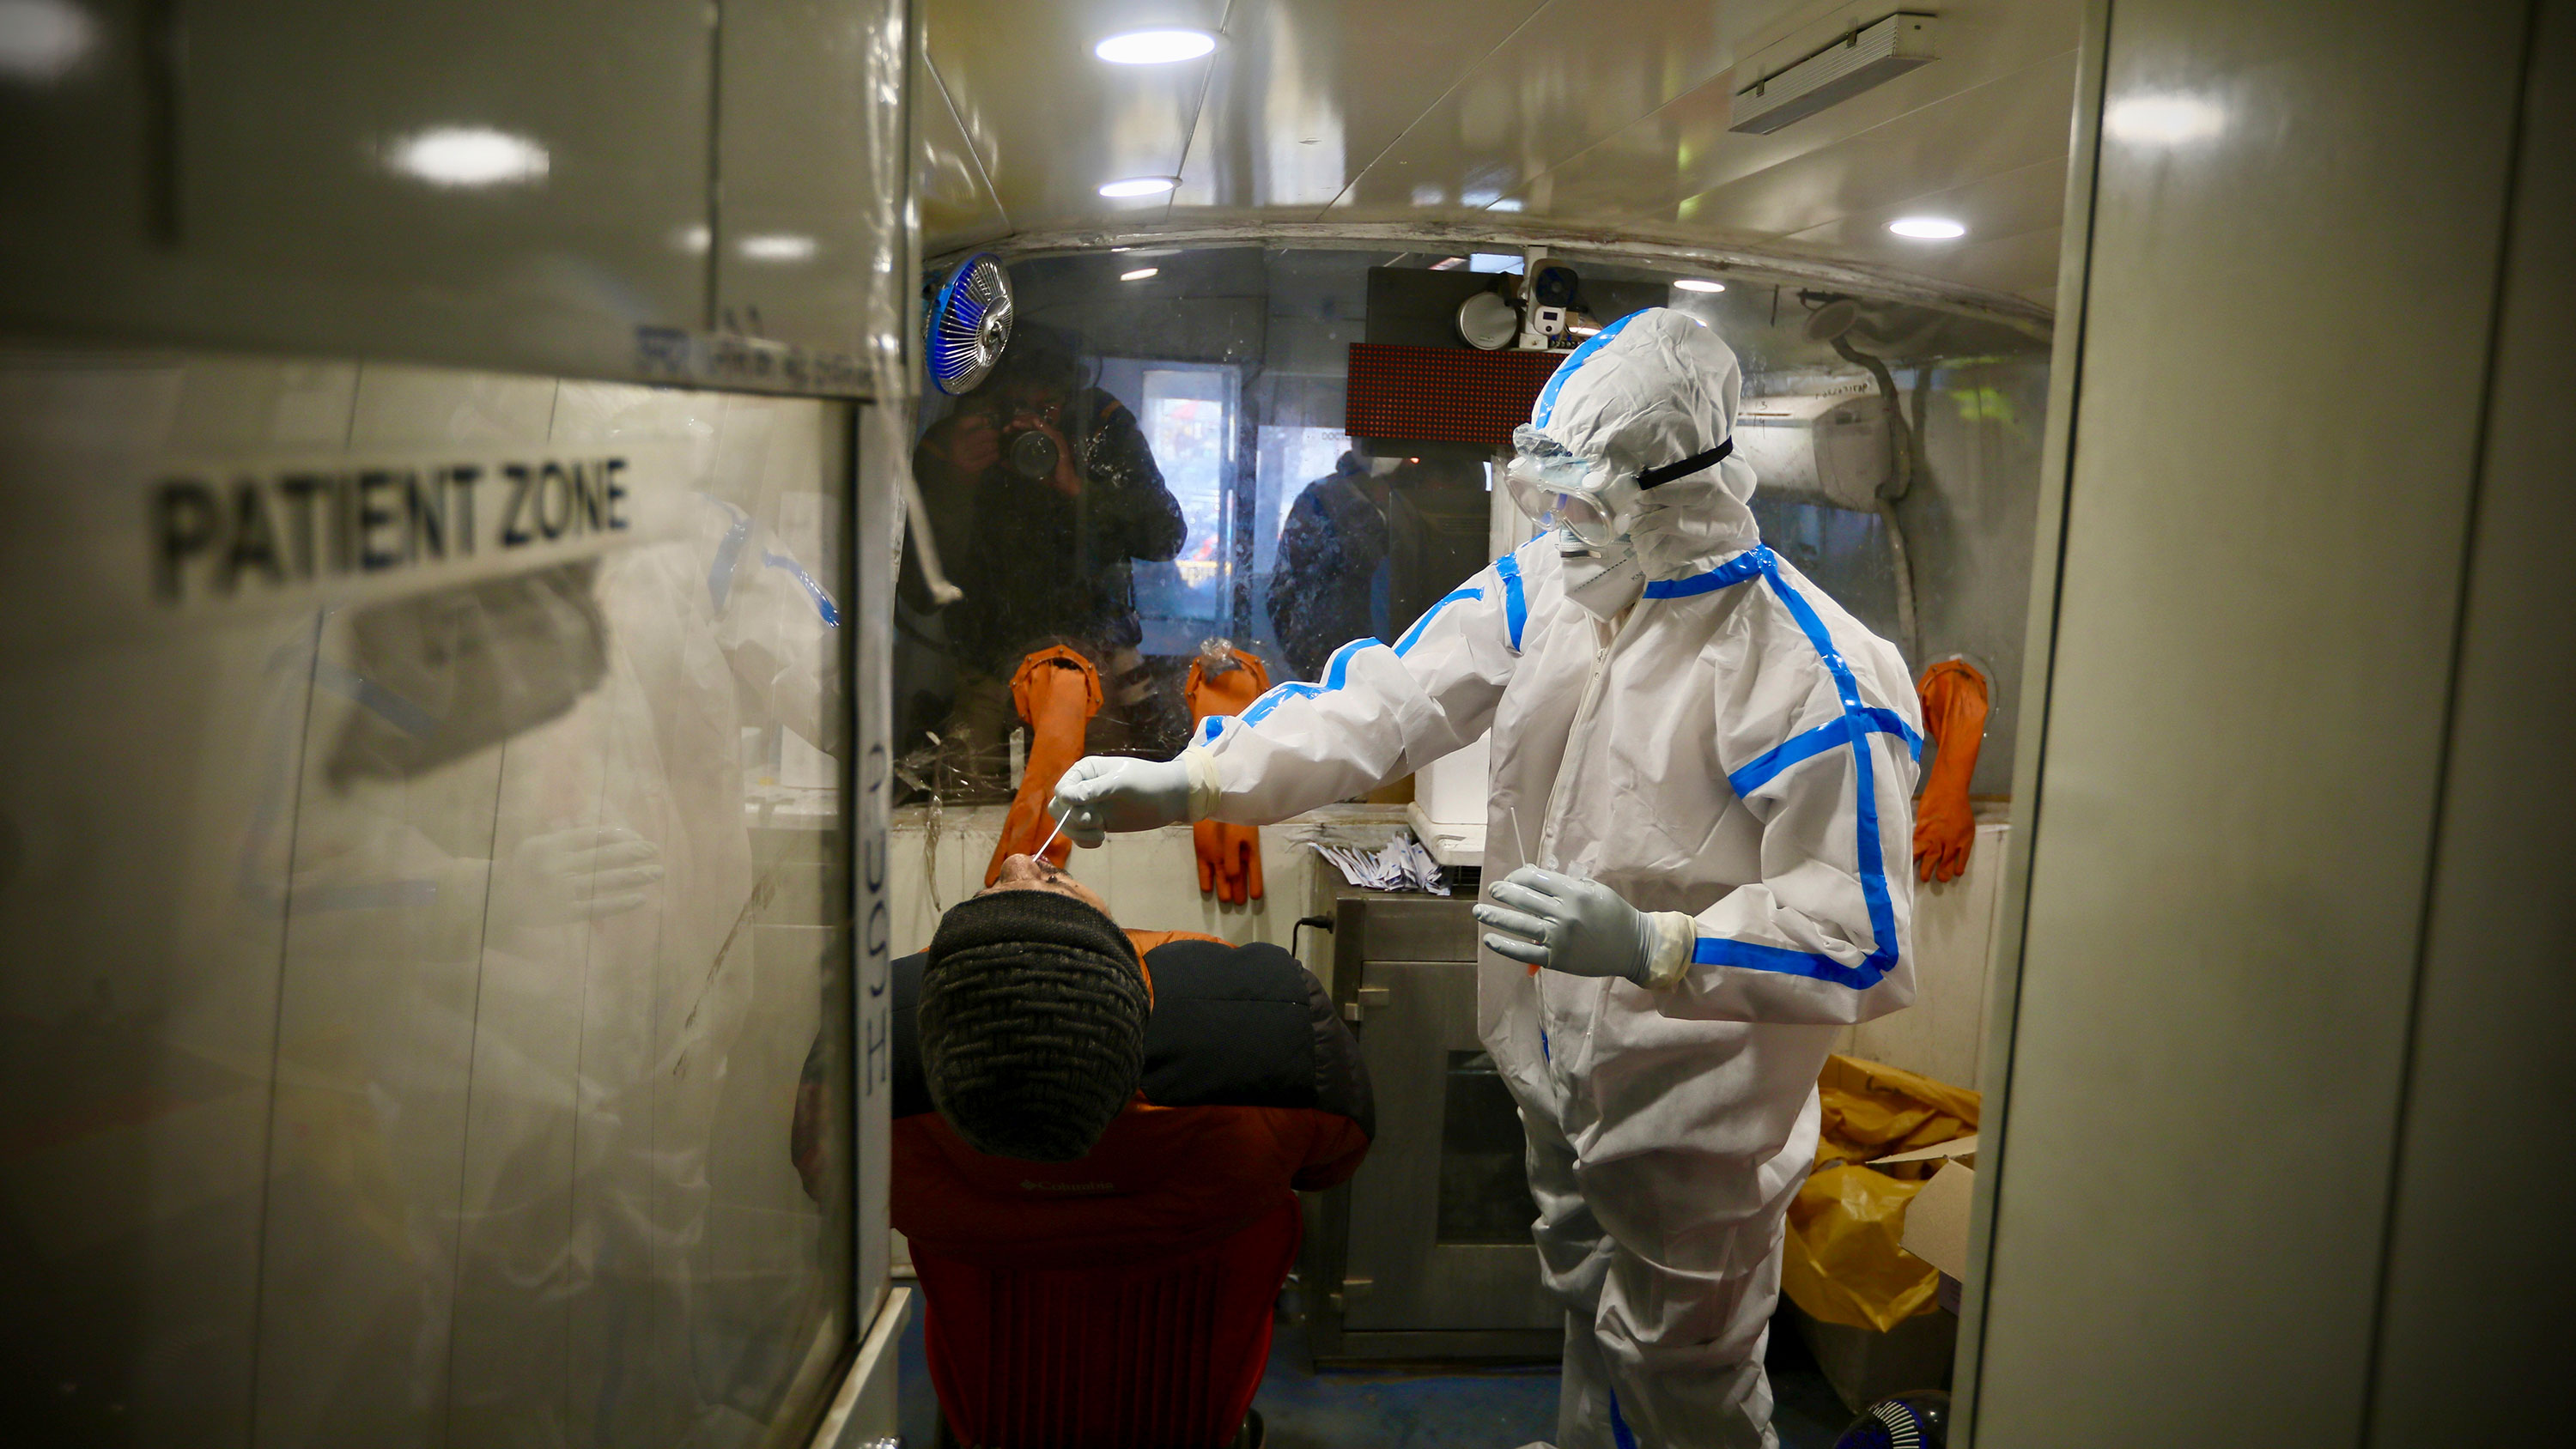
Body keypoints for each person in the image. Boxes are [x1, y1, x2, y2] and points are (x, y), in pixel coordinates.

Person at [1049, 309, 1922, 1449]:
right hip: (1554, 1058)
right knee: (1588, 1314)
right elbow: (1383, 706)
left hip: (1694, 1105)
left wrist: (1664, 946)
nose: (1555, 527)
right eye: (1545, 495)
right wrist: (1191, 780)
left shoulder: (1812, 676)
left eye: (1583, 506)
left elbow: (1857, 929)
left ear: (1682, 497)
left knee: (1688, 1376)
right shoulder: (1552, 592)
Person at [873, 852, 1373, 1447]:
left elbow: (824, 1184)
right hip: (1191, 1392)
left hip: (999, 1398)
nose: (1017, 861)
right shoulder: (1282, 1043)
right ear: (1137, 993)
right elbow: (1333, 1163)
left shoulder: (873, 1084)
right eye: (1052, 883)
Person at [906, 330, 1189, 780]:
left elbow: (1166, 537)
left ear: (1070, 400)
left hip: (1094, 665)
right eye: (1011, 411)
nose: (1026, 427)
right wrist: (953, 482)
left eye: (1045, 410)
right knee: (966, 809)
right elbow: (918, 592)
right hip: (985, 668)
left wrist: (1077, 489)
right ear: (985, 404)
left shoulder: (1099, 428)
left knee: (1097, 811)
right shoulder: (957, 444)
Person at [1267, 449, 1392, 679]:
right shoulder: (1323, 499)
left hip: (1403, 662)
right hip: (1337, 661)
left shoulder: (1425, 491)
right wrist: (1315, 667)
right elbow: (1285, 593)